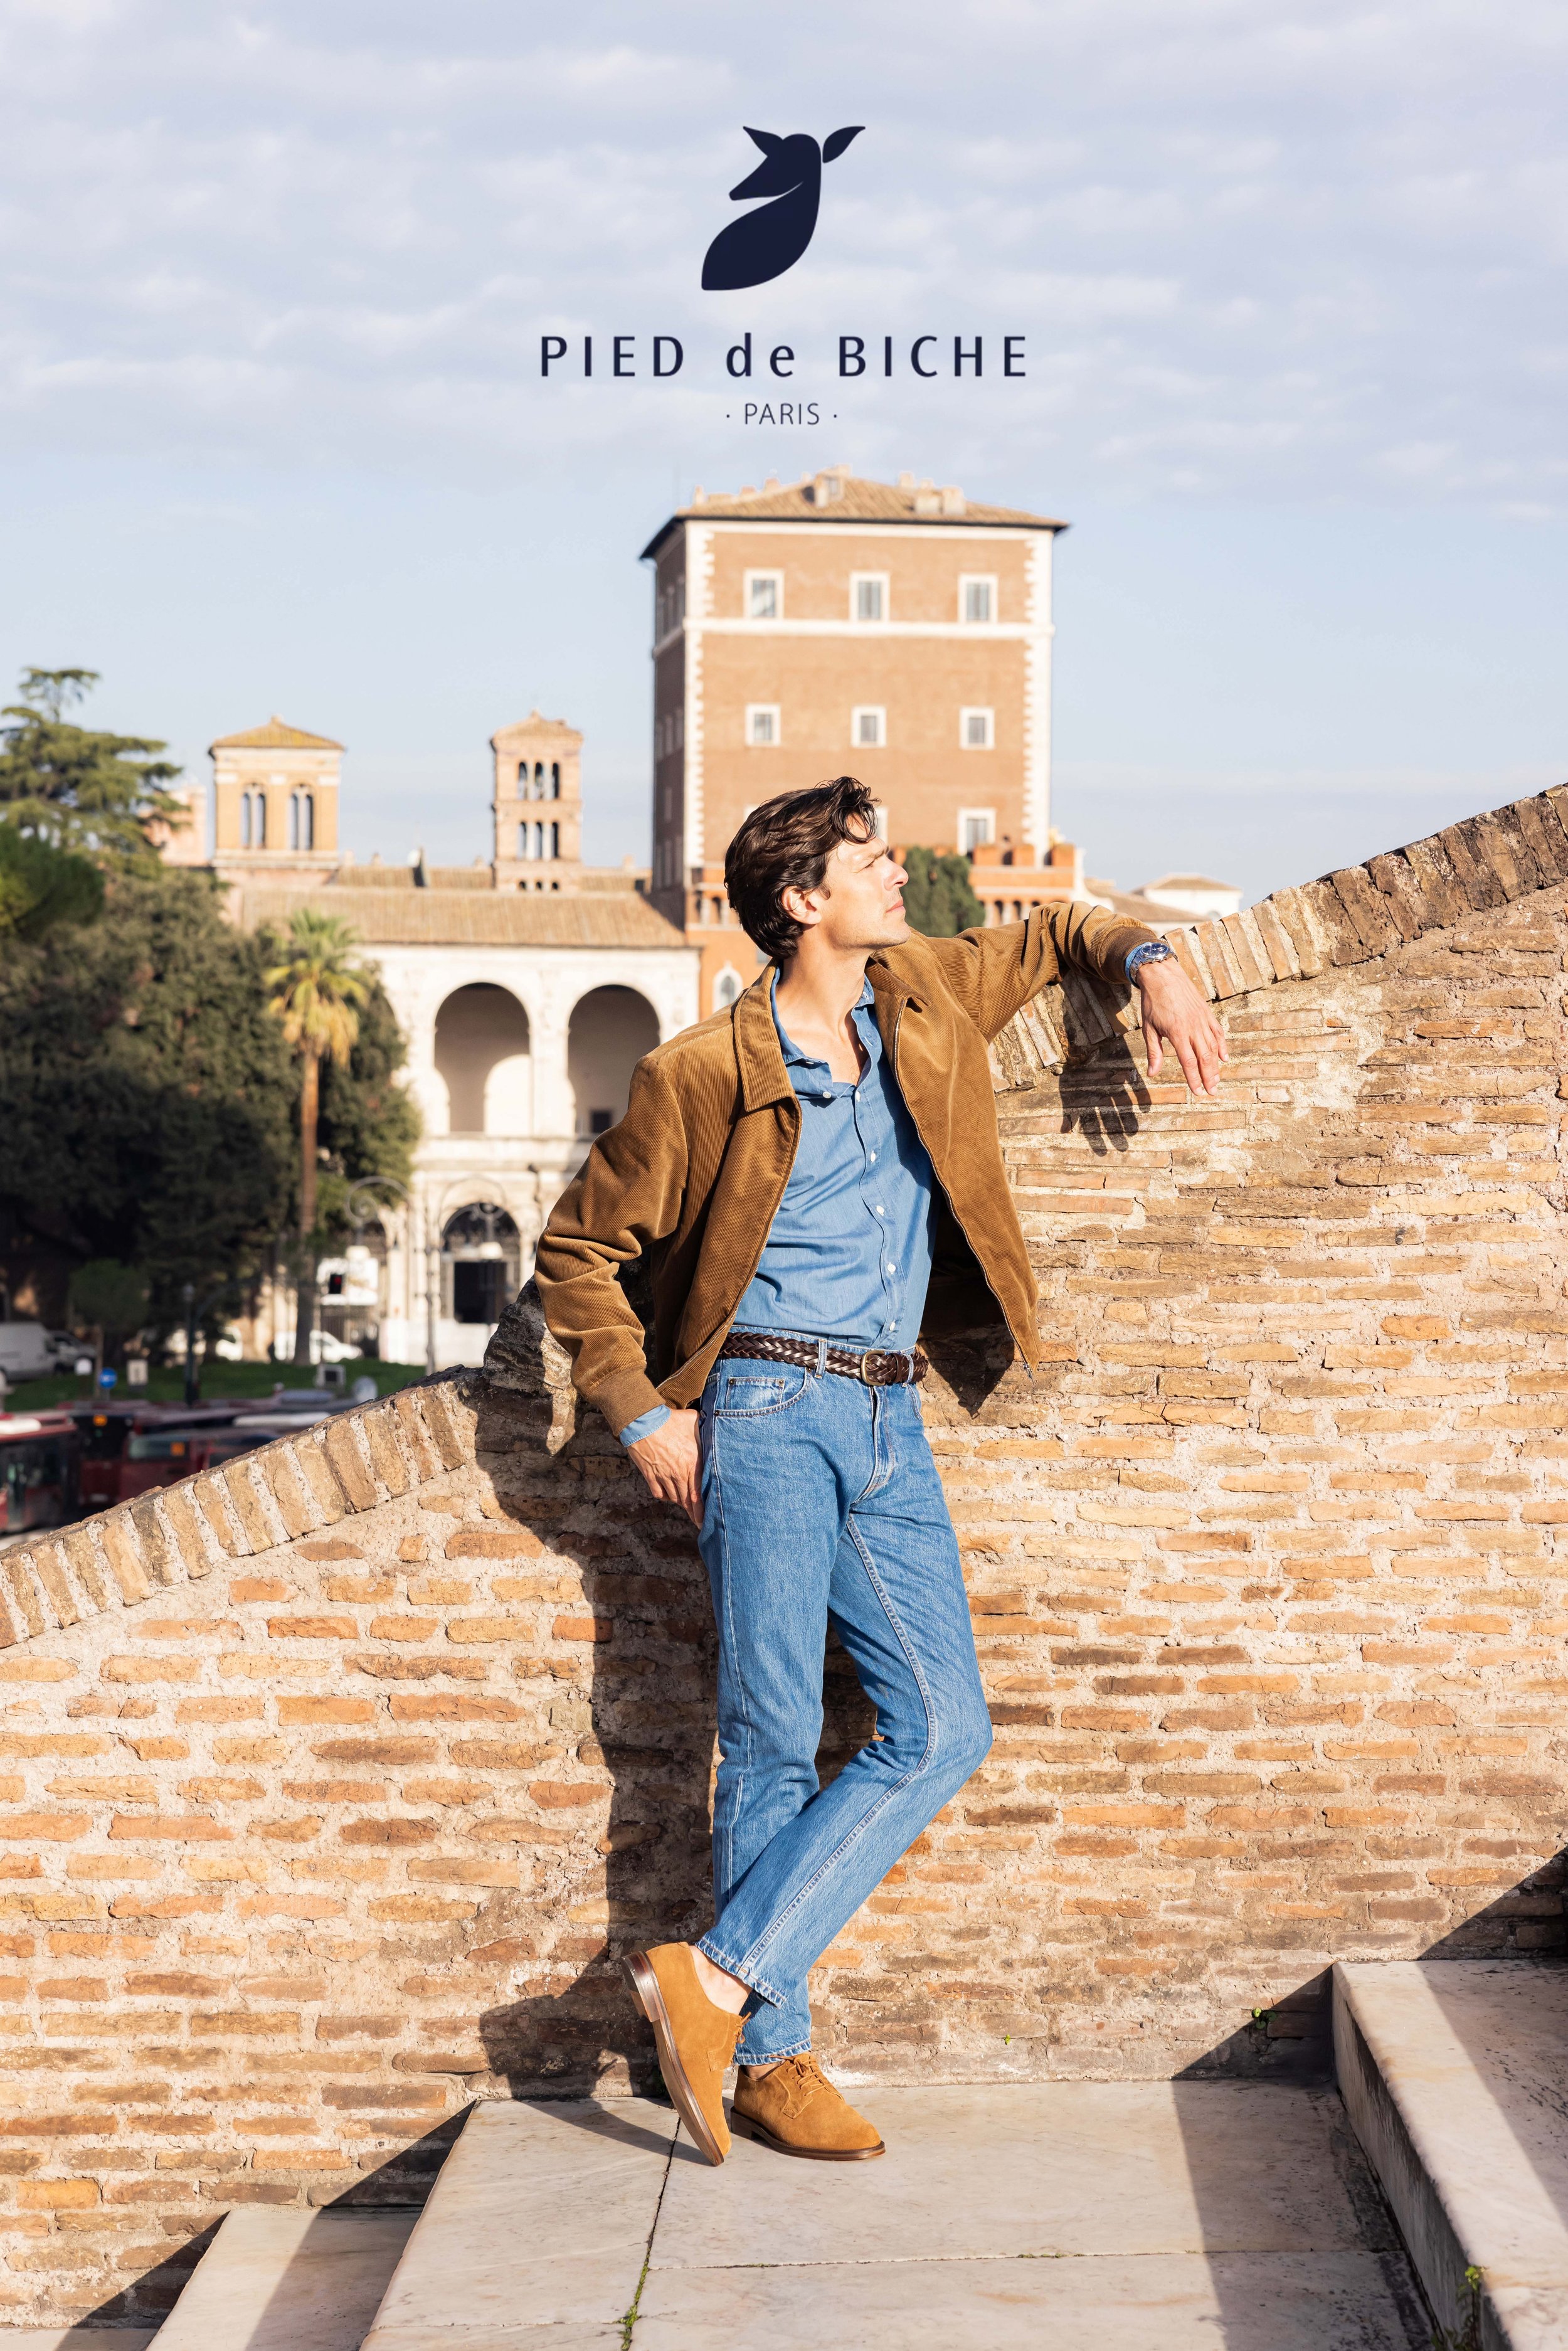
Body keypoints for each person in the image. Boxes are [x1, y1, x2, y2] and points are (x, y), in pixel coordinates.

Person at [535, 777, 1226, 2165]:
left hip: (886, 1415)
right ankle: (768, 2058)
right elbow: (578, 1253)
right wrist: (640, 1416)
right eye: (868, 859)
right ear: (802, 900)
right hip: (765, 1408)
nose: (898, 872)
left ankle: (715, 1981)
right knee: (772, 1736)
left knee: (943, 1725)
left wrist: (1152, 962)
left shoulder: (924, 994)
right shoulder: (703, 1072)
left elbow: (1064, 930)